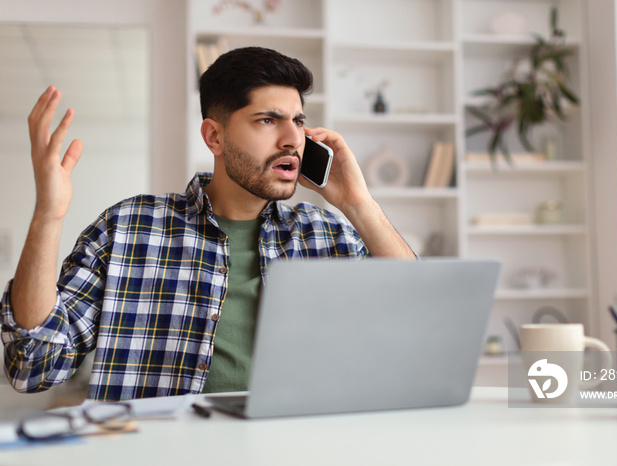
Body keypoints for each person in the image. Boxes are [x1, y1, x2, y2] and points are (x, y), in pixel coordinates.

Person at [0, 47, 415, 401]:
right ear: (214, 138)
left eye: (300, 121)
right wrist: (47, 216)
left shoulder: (327, 234)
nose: (293, 139)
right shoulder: (127, 228)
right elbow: (34, 366)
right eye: (268, 120)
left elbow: (414, 329)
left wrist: (359, 204)